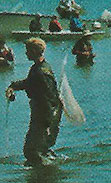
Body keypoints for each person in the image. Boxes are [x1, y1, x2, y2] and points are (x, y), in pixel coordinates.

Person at [5, 38, 63, 166]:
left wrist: (48, 123)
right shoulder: (40, 68)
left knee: (32, 151)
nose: (25, 53)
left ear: (34, 51)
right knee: (38, 148)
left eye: (27, 51)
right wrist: (13, 86)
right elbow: (29, 83)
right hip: (45, 111)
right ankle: (48, 169)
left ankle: (42, 173)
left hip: (46, 113)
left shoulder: (40, 72)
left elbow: (49, 97)